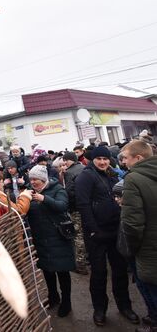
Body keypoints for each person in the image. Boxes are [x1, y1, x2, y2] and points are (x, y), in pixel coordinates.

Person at [75, 146, 139, 326]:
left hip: (115, 230)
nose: (103, 162)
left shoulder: (112, 174)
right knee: (99, 273)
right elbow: (83, 205)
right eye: (99, 159)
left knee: (119, 271)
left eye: (105, 158)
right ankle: (99, 310)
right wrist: (94, 229)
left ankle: (125, 306)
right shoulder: (85, 177)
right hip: (96, 233)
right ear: (92, 160)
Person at [26, 165, 75, 317]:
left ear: (44, 179)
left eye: (36, 179)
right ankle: (53, 296)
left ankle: (66, 302)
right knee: (47, 271)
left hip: (58, 237)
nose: (33, 182)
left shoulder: (57, 189)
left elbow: (62, 206)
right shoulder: (30, 193)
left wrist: (44, 198)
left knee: (62, 271)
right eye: (31, 179)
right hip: (41, 239)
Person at [120, 140, 157, 331]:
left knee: (152, 291)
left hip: (148, 249)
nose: (123, 162)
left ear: (138, 158)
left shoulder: (133, 179)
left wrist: (131, 249)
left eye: (126, 158)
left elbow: (133, 224)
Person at [62, 151, 88, 275]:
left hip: (76, 208)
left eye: (66, 160)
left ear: (70, 160)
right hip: (88, 206)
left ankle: (80, 264)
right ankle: (88, 259)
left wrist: (68, 207)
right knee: (87, 233)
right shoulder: (84, 168)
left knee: (78, 235)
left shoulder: (69, 172)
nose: (64, 163)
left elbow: (70, 191)